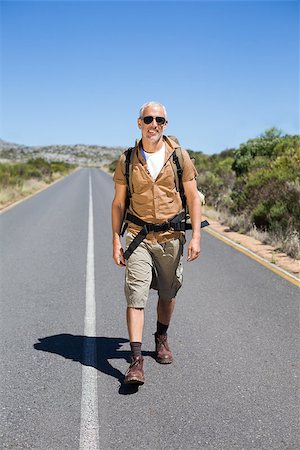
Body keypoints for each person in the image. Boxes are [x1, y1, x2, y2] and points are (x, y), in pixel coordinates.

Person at [111, 101, 201, 385]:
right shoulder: (127, 160)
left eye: (159, 120)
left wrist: (196, 236)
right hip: (138, 236)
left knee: (167, 294)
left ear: (166, 123)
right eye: (148, 119)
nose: (154, 125)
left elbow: (193, 197)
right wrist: (115, 239)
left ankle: (161, 337)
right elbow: (118, 203)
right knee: (136, 297)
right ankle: (136, 362)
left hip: (171, 238)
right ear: (139, 123)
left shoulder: (180, 157)